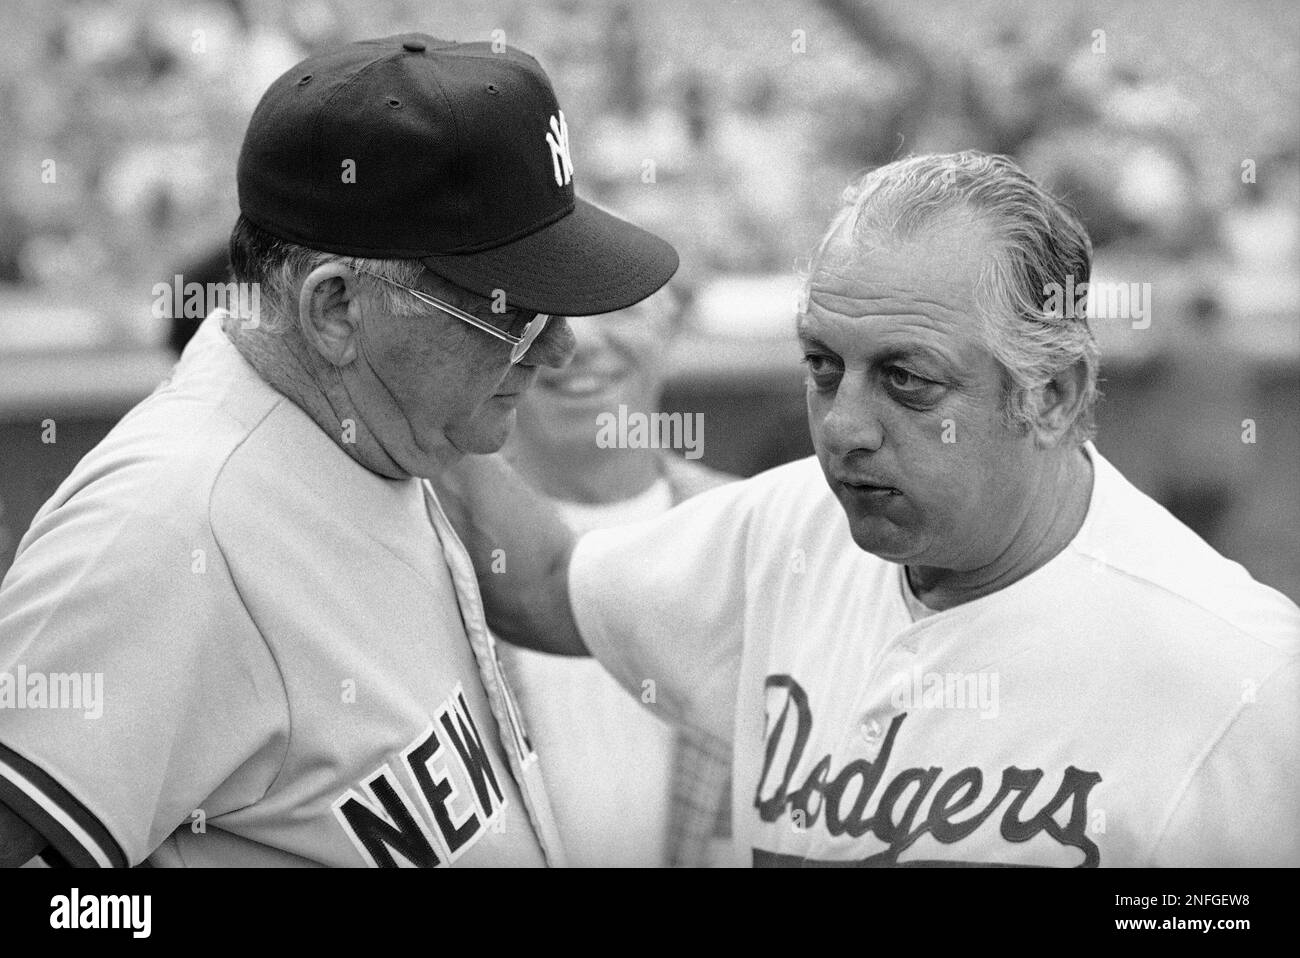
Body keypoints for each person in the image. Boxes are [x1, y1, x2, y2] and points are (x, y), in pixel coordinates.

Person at [436, 151, 1300, 867]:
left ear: (1052, 394)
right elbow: (546, 583)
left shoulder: (1245, 681)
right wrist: (415, 389)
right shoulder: (787, 529)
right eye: (821, 367)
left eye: (907, 379)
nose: (844, 427)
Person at [0, 33, 679, 868]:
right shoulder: (167, 526)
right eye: (513, 312)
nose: (558, 350)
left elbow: (552, 585)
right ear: (336, 309)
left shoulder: (386, 424)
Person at [498, 285, 734, 867]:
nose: (580, 341)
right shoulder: (438, 535)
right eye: (540, 312)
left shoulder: (749, 534)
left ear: (673, 324)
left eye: (620, 304)